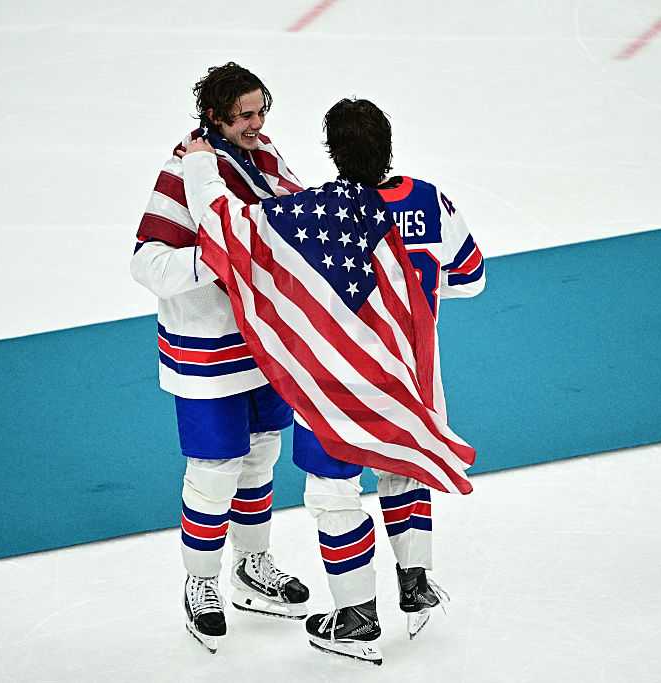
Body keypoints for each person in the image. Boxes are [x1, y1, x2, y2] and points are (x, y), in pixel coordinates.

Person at [179, 98, 486, 665]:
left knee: (332, 492)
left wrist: (198, 163)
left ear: (334, 152)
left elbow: (226, 226)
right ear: (387, 144)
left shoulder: (314, 213)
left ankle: (356, 617)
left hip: (336, 386)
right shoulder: (430, 200)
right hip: (413, 377)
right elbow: (470, 277)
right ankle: (415, 581)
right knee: (404, 468)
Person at [131, 62, 310, 655]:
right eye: (245, 116)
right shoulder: (183, 171)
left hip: (263, 342)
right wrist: (217, 259)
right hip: (206, 349)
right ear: (214, 116)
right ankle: (201, 582)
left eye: (262, 112)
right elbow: (146, 264)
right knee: (213, 472)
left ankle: (252, 564)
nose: (257, 124)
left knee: (261, 456)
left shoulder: (263, 159)